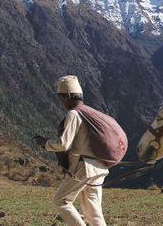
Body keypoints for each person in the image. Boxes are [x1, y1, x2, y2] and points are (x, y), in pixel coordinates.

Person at [34, 75, 109, 226]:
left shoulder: (74, 114)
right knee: (94, 213)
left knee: (61, 200)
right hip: (99, 166)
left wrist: (45, 142)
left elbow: (63, 144)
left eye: (61, 98)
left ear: (68, 96)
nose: (61, 102)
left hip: (83, 167)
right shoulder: (90, 112)